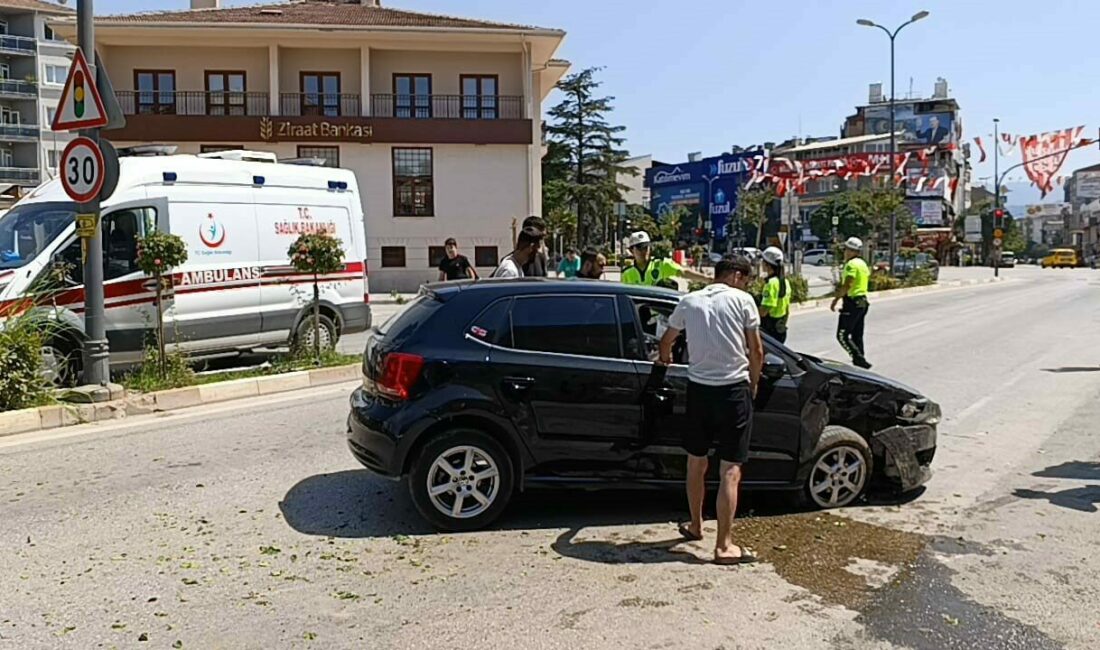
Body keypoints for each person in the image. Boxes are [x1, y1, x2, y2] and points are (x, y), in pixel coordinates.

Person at [658, 255, 763, 566]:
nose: (745, 284)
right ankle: (724, 546)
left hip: (699, 391)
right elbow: (757, 350)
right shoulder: (744, 301)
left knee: (695, 462)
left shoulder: (689, 301)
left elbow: (666, 340)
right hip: (733, 392)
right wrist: (754, 383)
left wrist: (665, 360)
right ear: (736, 275)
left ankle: (695, 525)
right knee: (730, 470)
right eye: (745, 278)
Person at [831, 237, 872, 369]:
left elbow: (847, 284)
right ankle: (860, 362)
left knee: (842, 335)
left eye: (846, 250)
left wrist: (836, 299)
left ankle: (859, 359)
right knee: (856, 335)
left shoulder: (851, 265)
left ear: (851, 251)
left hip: (852, 303)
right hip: (862, 302)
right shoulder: (862, 263)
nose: (845, 252)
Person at [621, 231, 710, 288]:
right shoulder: (627, 273)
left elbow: (684, 272)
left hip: (659, 314)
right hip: (637, 314)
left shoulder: (661, 264)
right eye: (640, 248)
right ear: (632, 250)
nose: (644, 251)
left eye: (646, 247)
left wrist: (708, 279)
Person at [759, 246, 792, 343]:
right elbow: (787, 310)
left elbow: (764, 311)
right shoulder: (786, 282)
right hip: (780, 329)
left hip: (769, 330)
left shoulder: (771, 283)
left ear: (767, 265)